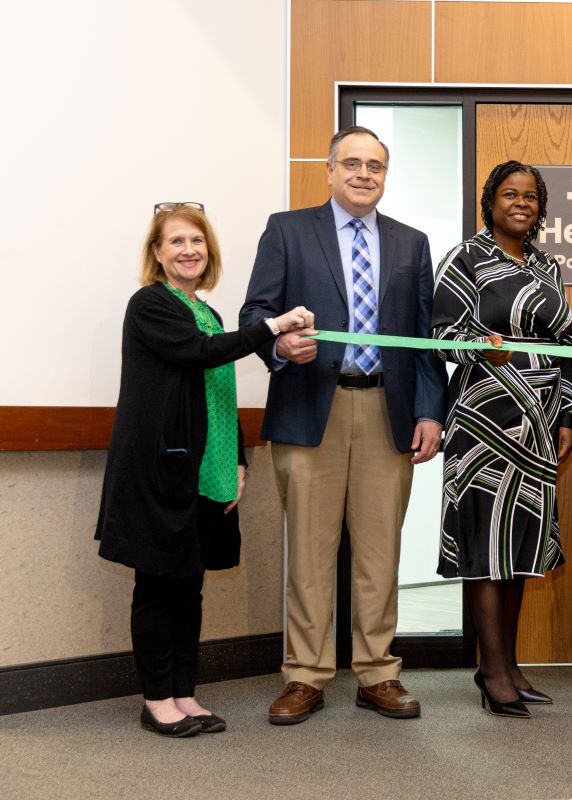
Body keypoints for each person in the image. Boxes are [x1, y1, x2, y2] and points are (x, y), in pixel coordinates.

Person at [240, 126, 448, 725]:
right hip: (311, 408)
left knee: (380, 554)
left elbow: (424, 338)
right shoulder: (287, 230)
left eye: (374, 166)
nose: (363, 174)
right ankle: (305, 676)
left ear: (385, 176)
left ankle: (378, 673)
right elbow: (256, 312)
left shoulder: (411, 243)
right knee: (309, 552)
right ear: (329, 170)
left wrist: (429, 410)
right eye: (352, 163)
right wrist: (280, 346)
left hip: (387, 411)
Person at [96, 203, 313, 737]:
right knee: (157, 587)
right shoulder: (150, 304)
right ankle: (156, 700)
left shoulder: (208, 311)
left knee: (188, 588)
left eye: (197, 241)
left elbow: (219, 392)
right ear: (156, 253)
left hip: (206, 470)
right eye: (176, 241)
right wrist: (272, 325)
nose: (188, 250)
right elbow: (200, 353)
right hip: (160, 472)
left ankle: (183, 693)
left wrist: (235, 463)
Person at [432, 161, 572, 718]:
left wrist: (568, 414)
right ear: (491, 201)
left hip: (538, 425)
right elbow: (440, 336)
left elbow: (566, 347)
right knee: (484, 545)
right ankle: (491, 670)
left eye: (530, 196)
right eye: (510, 194)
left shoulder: (548, 266)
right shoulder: (465, 259)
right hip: (483, 423)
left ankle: (509, 665)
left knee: (518, 545)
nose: (521, 203)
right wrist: (480, 346)